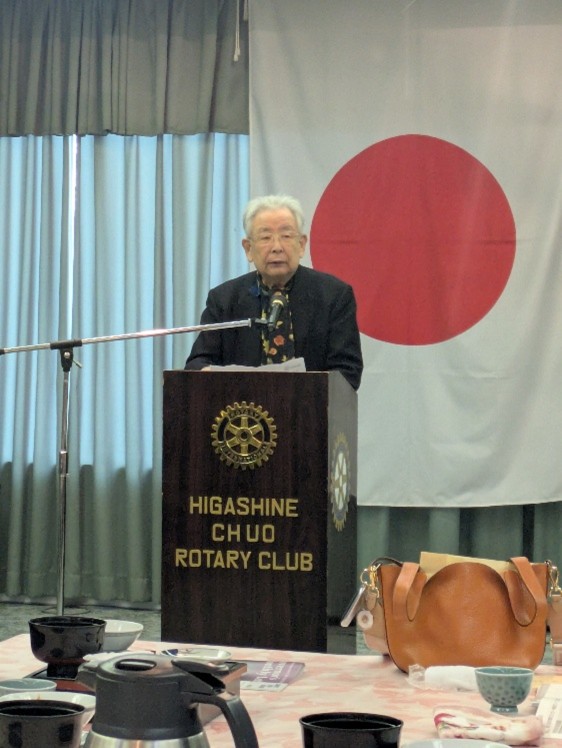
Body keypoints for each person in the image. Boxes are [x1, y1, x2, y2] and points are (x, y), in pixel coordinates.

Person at [184, 194, 363, 390]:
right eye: (265, 237)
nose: (277, 247)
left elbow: (348, 372)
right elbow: (197, 363)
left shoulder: (334, 296)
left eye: (286, 236)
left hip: (310, 406)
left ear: (301, 244)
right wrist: (207, 374)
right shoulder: (224, 300)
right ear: (248, 249)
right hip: (241, 407)